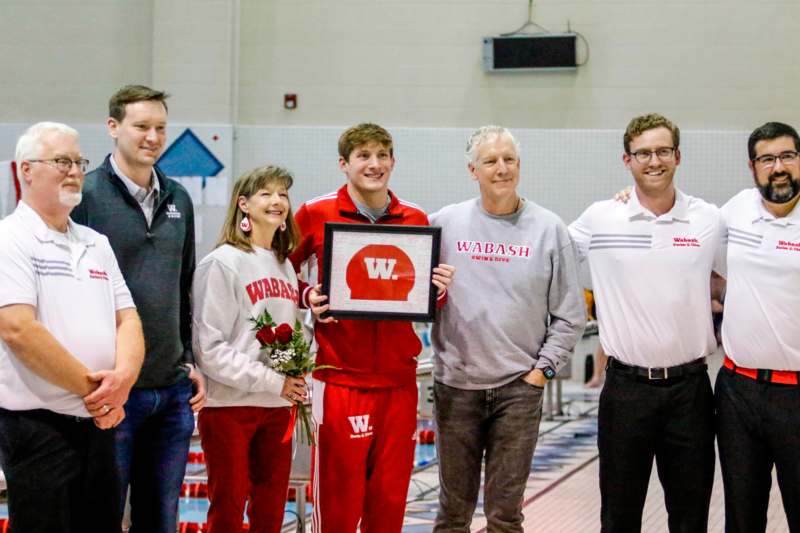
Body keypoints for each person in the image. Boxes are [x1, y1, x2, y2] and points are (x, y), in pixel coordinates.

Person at [290, 123, 455, 532]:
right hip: (340, 379)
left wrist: (437, 291)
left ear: (394, 162)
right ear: (344, 164)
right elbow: (279, 274)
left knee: (389, 501)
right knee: (339, 503)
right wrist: (308, 295)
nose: (374, 164)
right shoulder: (315, 213)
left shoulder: (416, 218)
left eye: (382, 155)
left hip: (399, 383)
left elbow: (422, 296)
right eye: (363, 156)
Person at [569, 113, 724, 532]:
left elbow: (745, 274)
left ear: (677, 156)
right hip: (626, 392)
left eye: (661, 151)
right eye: (643, 153)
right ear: (627, 160)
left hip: (690, 391)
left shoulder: (709, 220)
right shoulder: (601, 219)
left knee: (690, 518)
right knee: (619, 518)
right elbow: (545, 257)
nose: (653, 161)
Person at [429, 125, 585, 532]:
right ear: (472, 170)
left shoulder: (549, 229)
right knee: (452, 514)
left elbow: (570, 314)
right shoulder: (444, 223)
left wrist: (541, 373)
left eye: (509, 160)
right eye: (491, 161)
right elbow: (417, 296)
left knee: (505, 514)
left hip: (519, 390)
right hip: (457, 387)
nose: (502, 169)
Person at [70, 85, 206, 533]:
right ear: (113, 128)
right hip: (111, 389)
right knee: (100, 515)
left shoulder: (178, 199)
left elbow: (184, 286)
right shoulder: (85, 198)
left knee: (161, 519)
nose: (153, 137)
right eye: (142, 126)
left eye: (160, 128)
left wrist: (189, 359)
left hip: (169, 392)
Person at [0, 122, 144, 532]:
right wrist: (99, 394)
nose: (75, 171)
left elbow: (128, 318)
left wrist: (124, 382)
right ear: (26, 169)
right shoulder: (10, 239)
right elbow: (18, 331)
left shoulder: (95, 242)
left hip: (99, 423)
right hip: (39, 428)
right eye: (61, 161)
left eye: (78, 162)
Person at [192, 165, 309, 533]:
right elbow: (209, 348)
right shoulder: (221, 263)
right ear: (243, 204)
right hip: (230, 406)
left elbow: (294, 332)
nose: (277, 201)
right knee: (227, 510)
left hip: (277, 406)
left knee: (271, 510)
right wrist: (273, 382)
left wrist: (300, 368)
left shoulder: (284, 265)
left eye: (283, 194)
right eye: (266, 193)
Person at [715, 122, 800, 532]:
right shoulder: (736, 210)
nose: (778, 167)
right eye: (767, 159)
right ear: (753, 167)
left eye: (787, 156)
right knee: (742, 516)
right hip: (738, 391)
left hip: (797, 393)